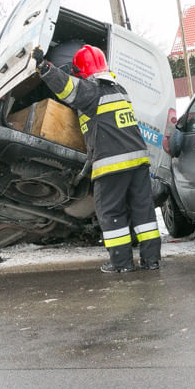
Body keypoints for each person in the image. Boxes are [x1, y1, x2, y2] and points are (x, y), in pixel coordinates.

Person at [32, 44, 161, 273]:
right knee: (144, 212)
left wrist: (44, 67)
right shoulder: (119, 89)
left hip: (111, 165)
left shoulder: (90, 91)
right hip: (139, 163)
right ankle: (151, 261)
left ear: (81, 71)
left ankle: (121, 264)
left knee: (112, 214)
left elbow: (65, 86)